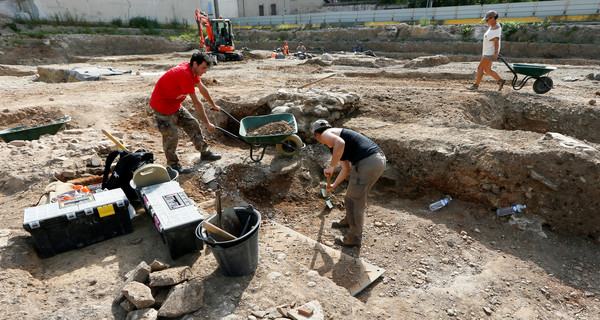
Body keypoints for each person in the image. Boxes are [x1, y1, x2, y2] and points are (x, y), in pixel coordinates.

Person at [312, 119, 386, 247]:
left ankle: (353, 238)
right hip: (373, 161)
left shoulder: (327, 134)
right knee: (350, 197)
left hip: (368, 162)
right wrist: (333, 185)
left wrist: (331, 166)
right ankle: (348, 221)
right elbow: (346, 169)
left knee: (355, 200)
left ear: (316, 134)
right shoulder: (336, 141)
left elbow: (340, 143)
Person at [149, 52, 222, 174]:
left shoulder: (193, 71)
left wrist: (213, 105)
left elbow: (202, 88)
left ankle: (205, 153)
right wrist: (207, 123)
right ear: (195, 64)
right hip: (162, 107)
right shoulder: (184, 74)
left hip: (175, 105)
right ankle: (173, 165)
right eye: (203, 68)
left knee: (192, 124)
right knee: (171, 136)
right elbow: (197, 102)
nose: (205, 71)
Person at [468, 10, 506, 91]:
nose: (486, 21)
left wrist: (495, 53)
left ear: (492, 18)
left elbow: (496, 41)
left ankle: (476, 85)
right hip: (488, 51)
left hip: (490, 52)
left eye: (487, 20)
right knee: (487, 69)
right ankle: (500, 81)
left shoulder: (495, 27)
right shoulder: (493, 25)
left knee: (480, 68)